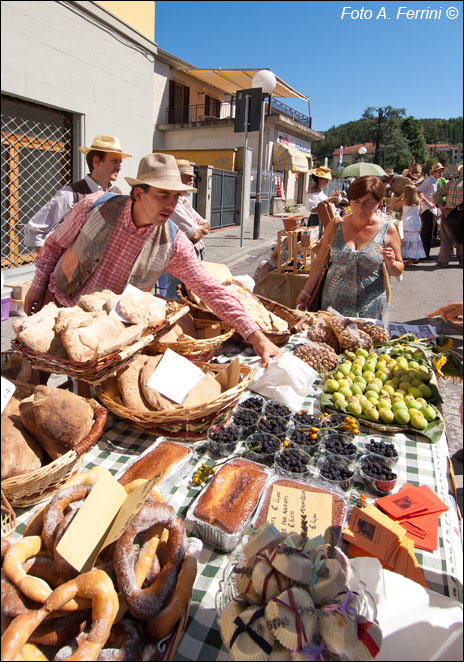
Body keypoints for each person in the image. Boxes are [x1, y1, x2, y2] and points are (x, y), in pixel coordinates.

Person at [24, 153, 280, 367]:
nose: (171, 204)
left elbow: (209, 289)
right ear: (138, 194)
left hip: (107, 331)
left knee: (88, 391)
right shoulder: (94, 206)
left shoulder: (173, 243)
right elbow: (55, 244)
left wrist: (256, 336)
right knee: (38, 373)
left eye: (176, 197)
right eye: (163, 195)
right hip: (59, 305)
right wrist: (37, 286)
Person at [296, 176, 403, 321]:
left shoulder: (388, 230)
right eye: (356, 202)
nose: (361, 208)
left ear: (379, 202)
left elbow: (398, 269)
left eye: (368, 202)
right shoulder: (336, 225)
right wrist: (306, 292)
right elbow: (320, 261)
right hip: (333, 308)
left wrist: (391, 263)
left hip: (370, 311)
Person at [24, 135, 131, 250]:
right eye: (114, 161)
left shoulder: (117, 193)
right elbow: (35, 231)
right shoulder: (70, 194)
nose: (119, 167)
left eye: (120, 162)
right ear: (96, 161)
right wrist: (50, 264)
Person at [163, 159, 210, 298]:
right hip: (179, 261)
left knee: (186, 295)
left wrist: (200, 227)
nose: (192, 180)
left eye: (192, 177)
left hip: (191, 257)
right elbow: (194, 235)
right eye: (188, 176)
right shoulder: (175, 205)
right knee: (176, 296)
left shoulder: (184, 202)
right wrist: (199, 227)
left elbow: (206, 225)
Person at [433, 164, 463, 268]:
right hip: (461, 213)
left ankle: (443, 261)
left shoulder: (450, 183)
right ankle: (462, 260)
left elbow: (436, 194)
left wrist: (440, 205)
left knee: (445, 238)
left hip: (448, 212)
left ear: (459, 173)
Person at [389, 185, 426, 266]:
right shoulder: (418, 201)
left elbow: (393, 203)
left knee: (406, 239)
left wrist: (400, 197)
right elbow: (421, 210)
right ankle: (413, 258)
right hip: (416, 220)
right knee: (414, 239)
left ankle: (407, 260)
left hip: (407, 220)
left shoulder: (405, 201)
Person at [417, 162, 446, 258]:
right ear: (434, 172)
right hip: (427, 209)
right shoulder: (429, 180)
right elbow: (419, 191)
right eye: (439, 171)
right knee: (426, 233)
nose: (441, 173)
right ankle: (423, 254)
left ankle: (425, 253)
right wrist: (427, 202)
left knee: (428, 232)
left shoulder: (435, 181)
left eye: (442, 172)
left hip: (431, 209)